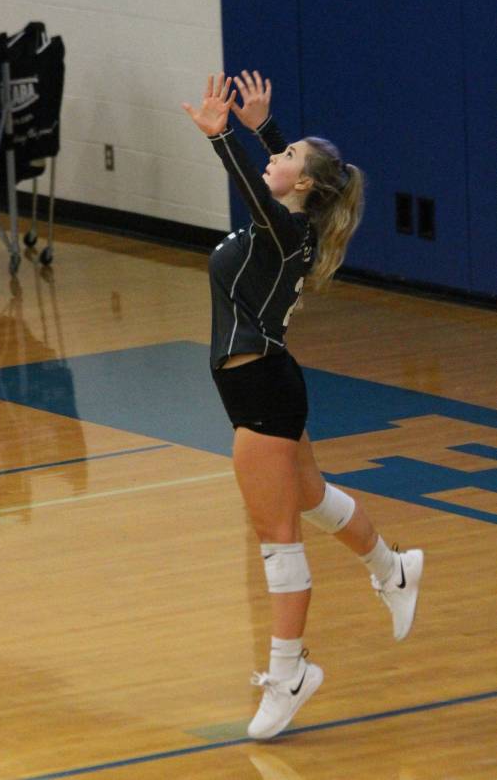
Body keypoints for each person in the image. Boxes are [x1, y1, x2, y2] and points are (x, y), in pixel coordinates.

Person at [183, 71, 424, 741]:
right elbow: (297, 182)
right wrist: (266, 131)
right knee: (311, 495)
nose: (275, 160)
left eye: (285, 157)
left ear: (305, 185)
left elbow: (262, 187)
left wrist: (224, 138)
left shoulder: (286, 230)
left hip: (261, 391)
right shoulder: (298, 225)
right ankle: (393, 568)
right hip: (268, 383)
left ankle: (289, 673)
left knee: (278, 542)